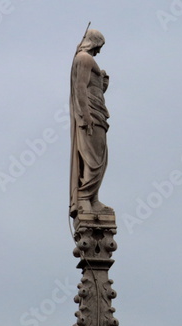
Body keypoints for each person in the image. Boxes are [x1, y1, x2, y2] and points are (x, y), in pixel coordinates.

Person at [70, 29, 112, 217]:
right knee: (93, 158)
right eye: (99, 46)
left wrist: (102, 81)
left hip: (98, 113)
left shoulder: (86, 59)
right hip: (91, 115)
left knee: (99, 157)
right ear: (93, 42)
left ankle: (92, 198)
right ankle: (85, 198)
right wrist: (85, 116)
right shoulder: (85, 58)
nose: (100, 51)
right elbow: (80, 87)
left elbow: (94, 88)